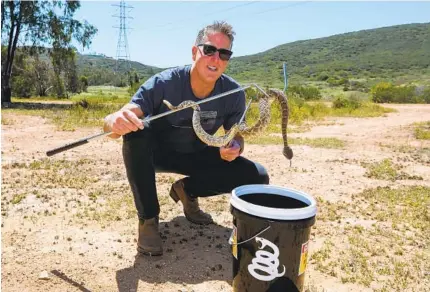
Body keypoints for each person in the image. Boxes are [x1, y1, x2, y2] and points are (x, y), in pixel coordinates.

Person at [103, 21, 269, 256]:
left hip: (199, 153)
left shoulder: (234, 93)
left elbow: (237, 137)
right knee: (137, 134)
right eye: (209, 50)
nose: (215, 59)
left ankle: (187, 190)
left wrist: (234, 147)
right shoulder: (164, 83)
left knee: (258, 175)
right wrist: (115, 121)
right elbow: (115, 122)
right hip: (158, 154)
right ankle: (148, 220)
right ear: (195, 52)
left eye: (224, 54)